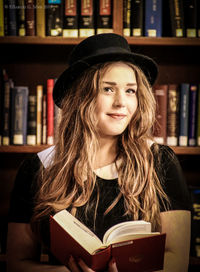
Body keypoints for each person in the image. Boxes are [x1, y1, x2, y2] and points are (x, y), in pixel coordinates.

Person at [6, 33, 191, 272]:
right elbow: (16, 264)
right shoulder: (37, 168)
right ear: (80, 96)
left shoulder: (160, 160)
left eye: (130, 91)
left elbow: (177, 259)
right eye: (107, 89)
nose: (121, 103)